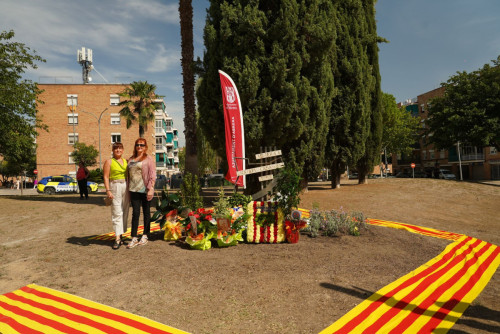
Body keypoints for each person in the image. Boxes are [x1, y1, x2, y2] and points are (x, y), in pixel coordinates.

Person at [127, 138, 156, 249]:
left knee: (146, 212)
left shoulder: (149, 159)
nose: (139, 147)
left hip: (145, 189)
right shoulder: (130, 159)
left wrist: (151, 188)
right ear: (135, 146)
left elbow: (153, 174)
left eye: (142, 145)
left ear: (145, 146)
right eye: (138, 145)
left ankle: (145, 235)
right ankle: (134, 236)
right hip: (133, 189)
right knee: (135, 213)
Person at [103, 142, 129, 250]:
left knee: (125, 211)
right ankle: (117, 238)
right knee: (117, 212)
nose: (118, 150)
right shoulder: (109, 162)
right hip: (115, 186)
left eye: (120, 148)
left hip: (125, 186)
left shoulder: (126, 161)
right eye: (116, 148)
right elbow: (105, 177)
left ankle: (121, 233)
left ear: (123, 150)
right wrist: (108, 190)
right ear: (113, 150)